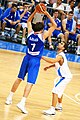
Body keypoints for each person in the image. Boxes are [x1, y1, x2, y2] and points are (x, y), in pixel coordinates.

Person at [5, 7, 56, 114]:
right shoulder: (43, 36)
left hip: (26, 58)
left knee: (19, 78)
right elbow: (54, 25)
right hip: (35, 60)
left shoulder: (30, 32)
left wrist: (34, 12)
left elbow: (28, 20)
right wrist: (46, 13)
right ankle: (22, 102)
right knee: (30, 82)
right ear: (42, 30)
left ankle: (9, 97)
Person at [42, 41, 72, 115]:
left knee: (55, 91)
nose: (59, 44)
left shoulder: (60, 55)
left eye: (62, 44)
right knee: (59, 91)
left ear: (63, 48)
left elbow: (53, 61)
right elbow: (56, 63)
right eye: (60, 43)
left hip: (65, 77)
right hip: (65, 77)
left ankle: (52, 110)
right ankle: (59, 106)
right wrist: (48, 67)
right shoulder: (58, 54)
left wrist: (41, 57)